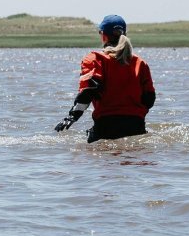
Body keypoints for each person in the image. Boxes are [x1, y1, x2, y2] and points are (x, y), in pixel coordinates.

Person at [55, 14, 156, 143]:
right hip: (137, 127)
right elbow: (149, 100)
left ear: (103, 35)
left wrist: (71, 117)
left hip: (105, 127)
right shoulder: (140, 63)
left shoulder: (95, 60)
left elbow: (88, 92)